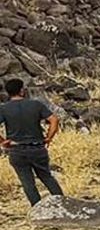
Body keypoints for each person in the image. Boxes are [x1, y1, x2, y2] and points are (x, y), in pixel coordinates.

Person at [0, 78, 64, 206]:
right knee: (47, 177)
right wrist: (49, 137)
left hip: (17, 149)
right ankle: (62, 204)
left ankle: (37, 209)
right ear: (21, 91)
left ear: (8, 93)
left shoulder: (3, 108)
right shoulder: (35, 105)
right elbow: (54, 120)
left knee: (28, 183)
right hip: (37, 148)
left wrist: (3, 142)